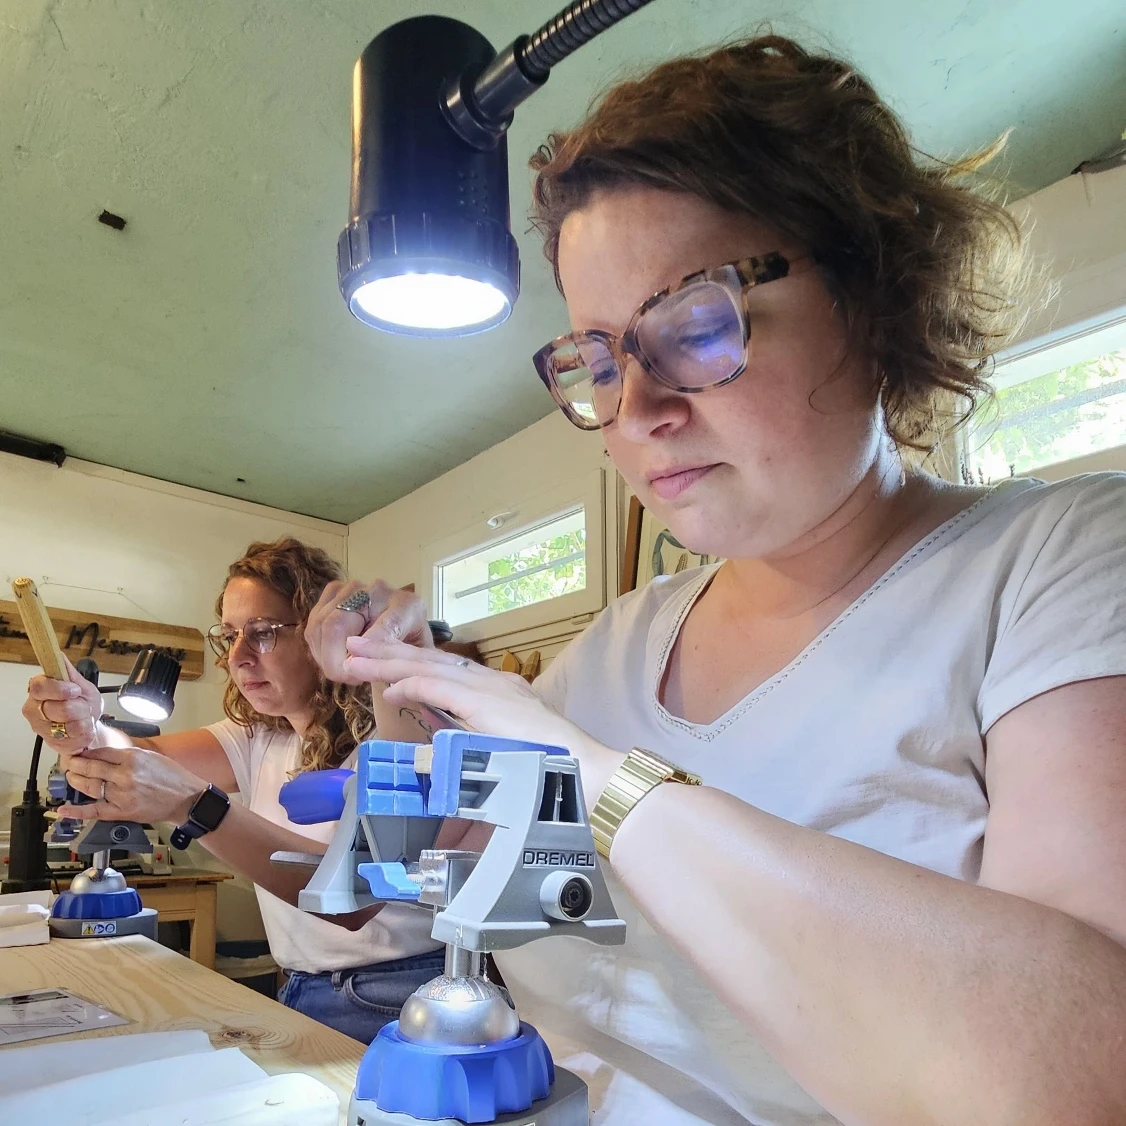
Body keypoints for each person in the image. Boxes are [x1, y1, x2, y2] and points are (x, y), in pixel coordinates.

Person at [302, 36, 1126, 1126]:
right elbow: (462, 916)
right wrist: (404, 710)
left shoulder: (1058, 562)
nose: (637, 407)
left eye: (694, 323)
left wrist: (599, 778)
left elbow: (1077, 1077)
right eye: (599, 358)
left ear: (876, 290)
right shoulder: (616, 645)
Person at [23, 537, 443, 1042]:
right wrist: (82, 723)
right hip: (303, 986)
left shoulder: (398, 729)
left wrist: (195, 807)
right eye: (230, 635)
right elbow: (134, 754)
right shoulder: (258, 736)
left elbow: (352, 899)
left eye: (263, 632)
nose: (238, 657)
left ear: (319, 629)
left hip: (397, 995)